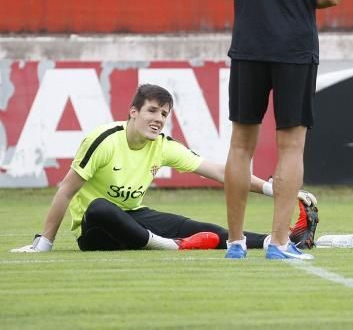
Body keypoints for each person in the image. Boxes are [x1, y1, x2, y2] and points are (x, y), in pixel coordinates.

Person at [209, 0, 343, 260]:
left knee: (240, 146)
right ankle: (280, 243)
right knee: (290, 148)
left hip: (249, 47)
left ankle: (234, 242)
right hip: (295, 49)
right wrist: (299, 0)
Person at [10, 84, 319, 254]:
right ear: (133, 112)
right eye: (152, 111)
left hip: (134, 218)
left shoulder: (164, 145)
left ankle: (276, 241)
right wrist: (44, 243)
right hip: (96, 232)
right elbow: (66, 190)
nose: (158, 118)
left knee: (200, 226)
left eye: (164, 113)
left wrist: (273, 189)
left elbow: (219, 171)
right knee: (100, 207)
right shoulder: (103, 140)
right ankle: (170, 247)